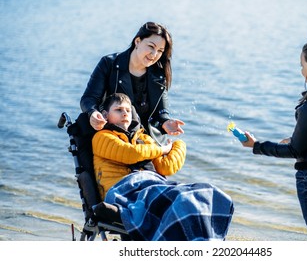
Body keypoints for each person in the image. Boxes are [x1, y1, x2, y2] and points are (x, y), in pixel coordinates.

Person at [239, 39, 307, 241]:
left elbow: (294, 151)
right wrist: (299, 138)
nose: (301, 71)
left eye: (302, 65)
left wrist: (256, 145)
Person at [92, 93, 234, 241]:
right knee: (181, 200)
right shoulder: (102, 137)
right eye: (118, 110)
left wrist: (179, 145)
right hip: (123, 190)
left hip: (151, 185)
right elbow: (130, 154)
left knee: (204, 194)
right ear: (106, 115)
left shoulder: (144, 139)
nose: (125, 113)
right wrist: (162, 150)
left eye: (128, 110)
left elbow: (166, 168)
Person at [80, 21, 184, 145]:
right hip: (114, 137)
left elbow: (161, 112)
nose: (154, 54)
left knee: (178, 150)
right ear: (138, 41)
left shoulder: (158, 75)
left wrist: (165, 122)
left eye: (160, 50)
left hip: (147, 140)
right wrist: (93, 113)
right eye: (151, 46)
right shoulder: (109, 64)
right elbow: (89, 99)